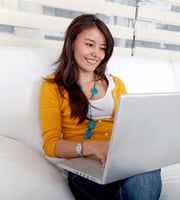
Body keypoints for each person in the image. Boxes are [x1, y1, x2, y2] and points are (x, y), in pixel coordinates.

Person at [39, 14, 162, 200]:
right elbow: (51, 145)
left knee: (144, 177)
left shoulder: (116, 84)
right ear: (71, 42)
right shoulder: (52, 86)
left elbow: (130, 128)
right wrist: (91, 147)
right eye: (89, 44)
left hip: (122, 162)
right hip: (84, 167)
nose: (97, 54)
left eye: (103, 48)